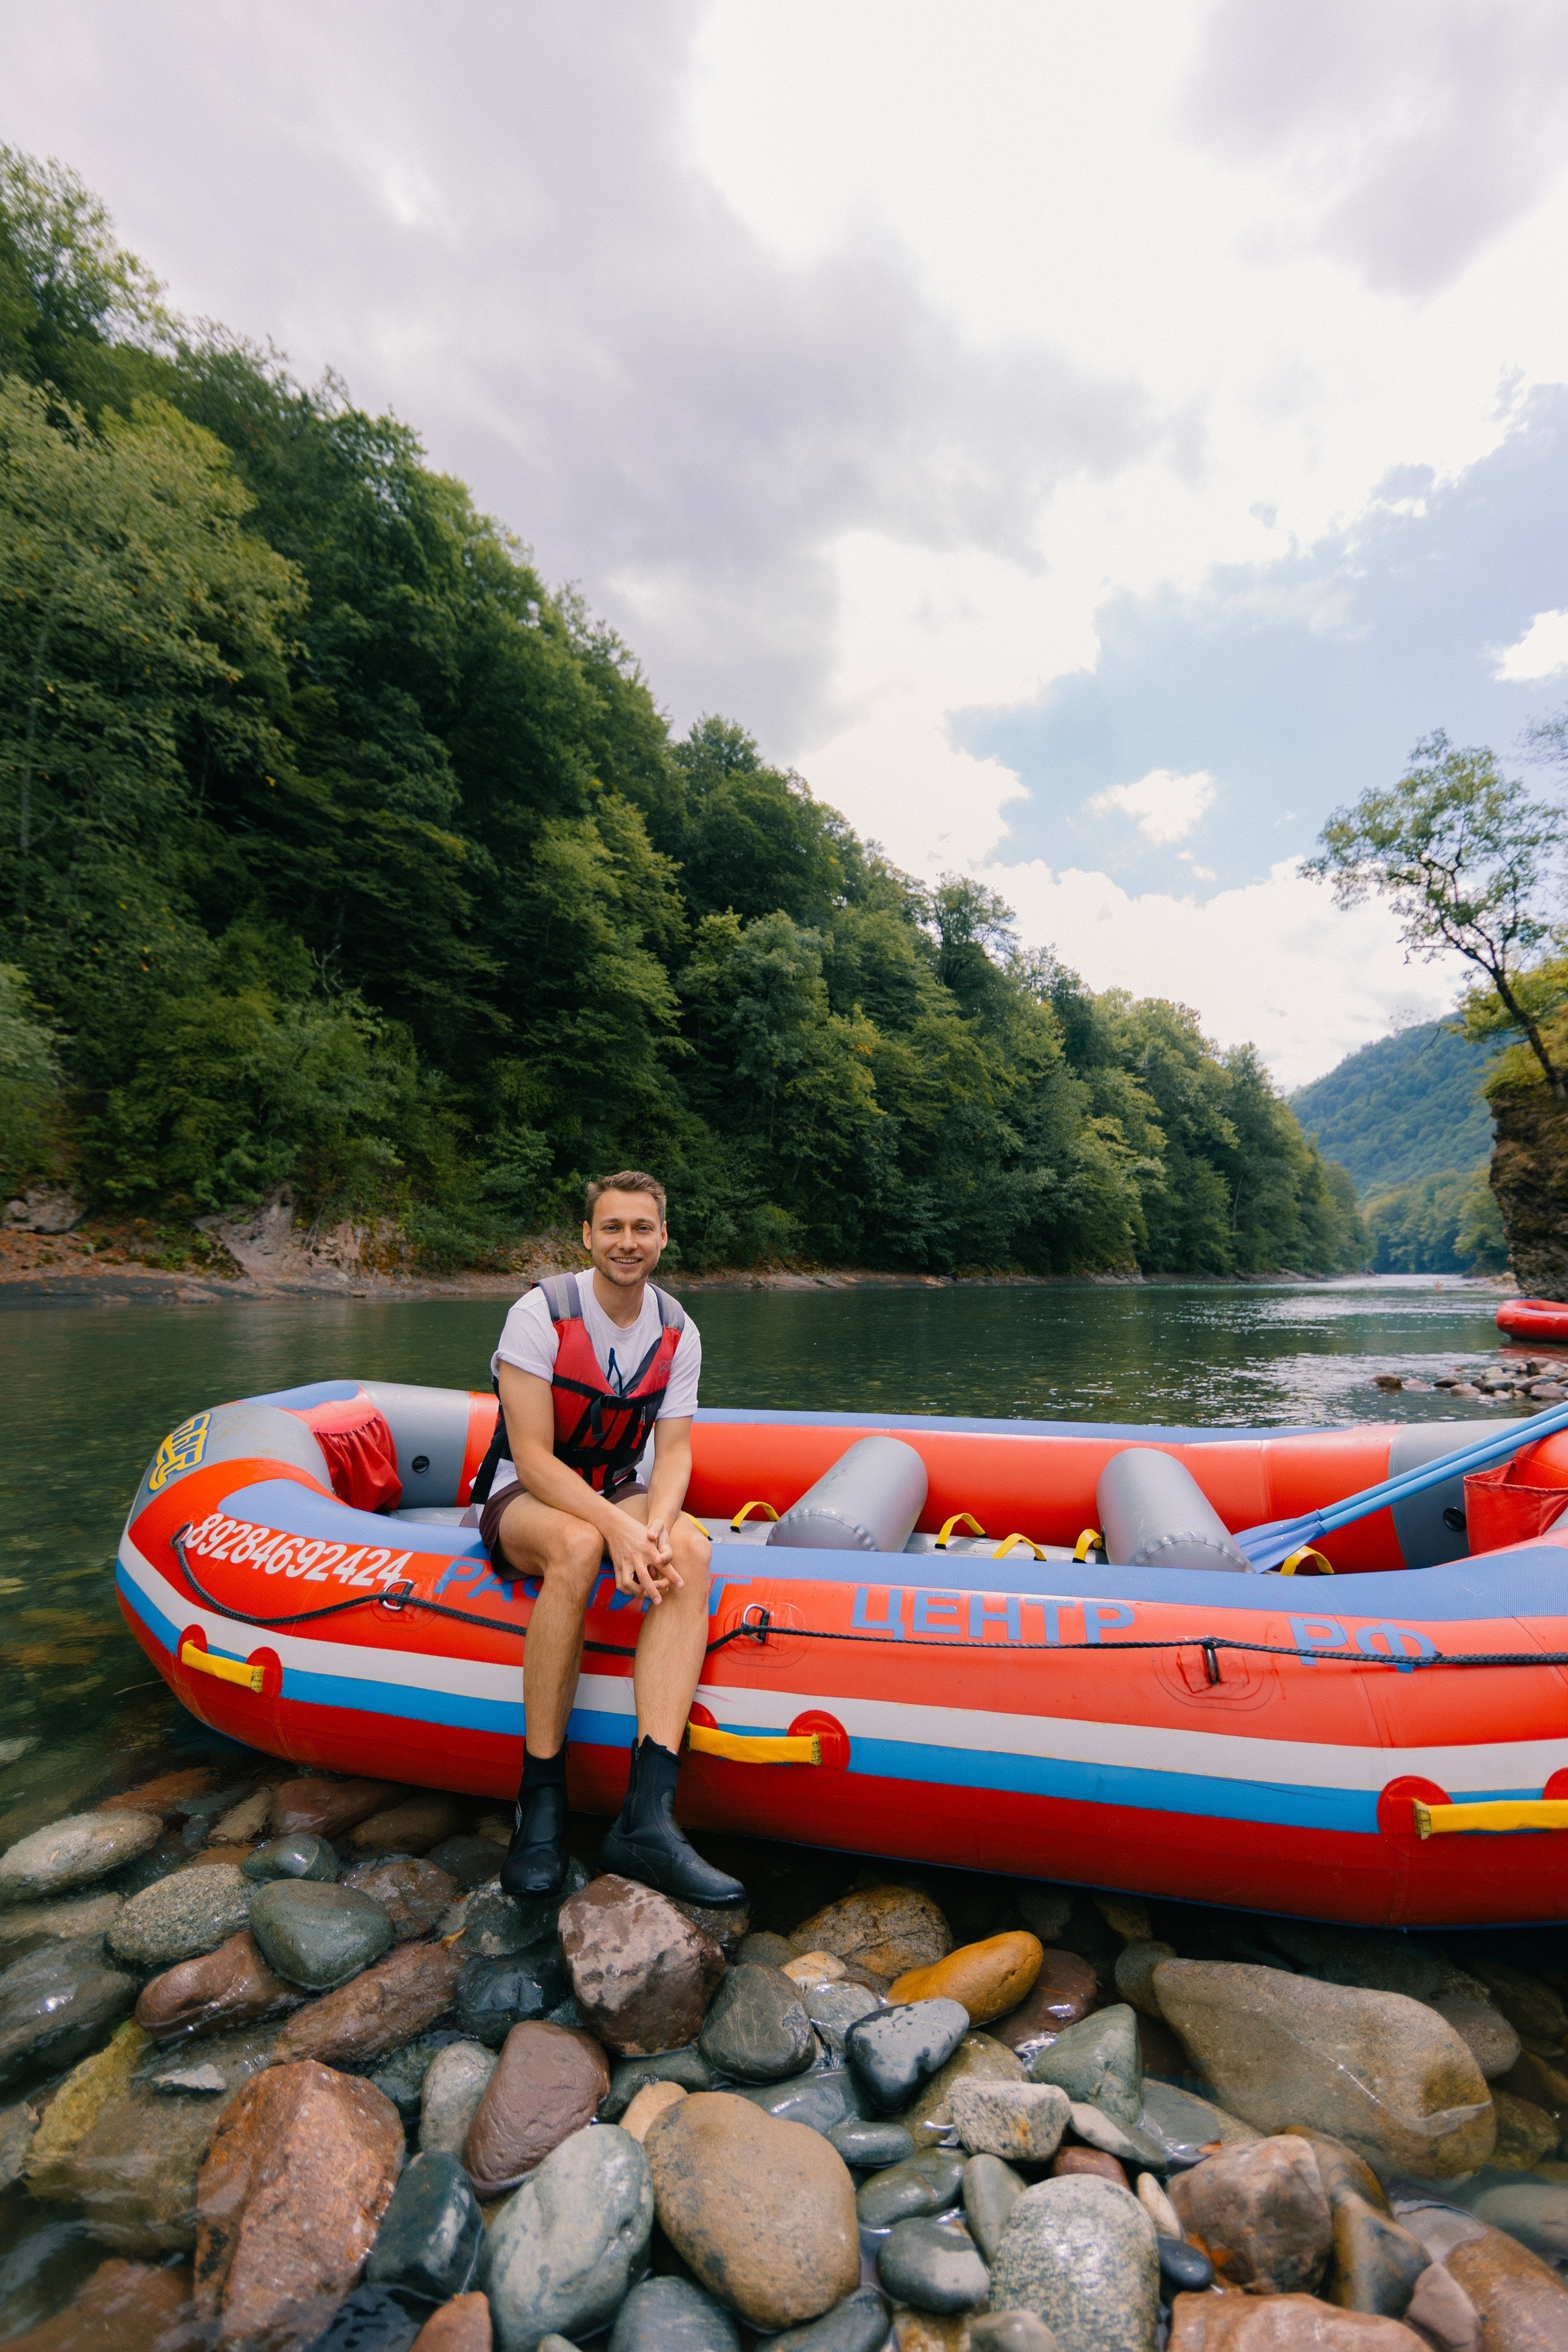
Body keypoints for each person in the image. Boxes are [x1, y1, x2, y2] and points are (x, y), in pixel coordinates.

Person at [473, 1170, 745, 1908]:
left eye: (643, 1229)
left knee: (690, 1551)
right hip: (527, 1492)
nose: (628, 1242)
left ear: (663, 1238)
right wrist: (619, 1528)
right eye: (613, 1228)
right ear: (587, 1237)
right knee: (579, 1547)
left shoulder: (677, 1327)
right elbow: (531, 1457)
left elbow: (676, 1450)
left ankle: (648, 1816)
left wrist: (654, 1526)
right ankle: (542, 1802)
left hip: (617, 1483)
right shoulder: (539, 1314)